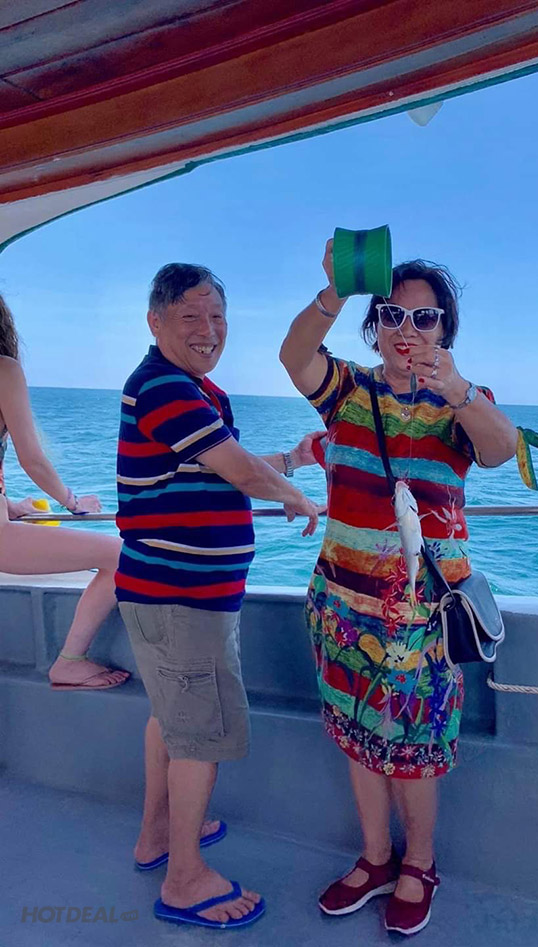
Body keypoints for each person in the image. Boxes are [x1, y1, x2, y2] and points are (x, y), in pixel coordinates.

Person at [279, 242, 518, 936]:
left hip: (423, 619)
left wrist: (458, 391)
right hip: (341, 611)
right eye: (392, 315)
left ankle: (419, 863)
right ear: (374, 325)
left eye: (424, 317)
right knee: (358, 740)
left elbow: (501, 449)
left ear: (445, 328)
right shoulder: (348, 392)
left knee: (415, 751)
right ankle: (376, 857)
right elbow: (294, 356)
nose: (406, 329)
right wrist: (334, 290)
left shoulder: (463, 404)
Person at [116, 263, 320, 931]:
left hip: (173, 596)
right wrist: (294, 495)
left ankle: (158, 833)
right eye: (191, 317)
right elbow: (237, 468)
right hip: (180, 600)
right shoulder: (163, 385)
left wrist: (291, 461)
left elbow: (222, 464)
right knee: (199, 734)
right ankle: (184, 879)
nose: (208, 330)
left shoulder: (194, 391)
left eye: (218, 318)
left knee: (172, 720)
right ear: (155, 322)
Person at [0, 292, 128, 690]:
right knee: (122, 555)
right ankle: (70, 661)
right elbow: (32, 460)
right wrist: (72, 502)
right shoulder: (4, 370)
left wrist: (9, 505)